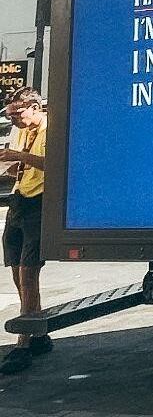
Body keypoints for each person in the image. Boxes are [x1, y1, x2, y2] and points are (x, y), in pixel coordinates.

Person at [1, 88, 49, 373]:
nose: (14, 121)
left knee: (28, 271)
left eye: (17, 115)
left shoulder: (49, 130)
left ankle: (23, 343)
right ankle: (38, 331)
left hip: (39, 203)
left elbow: (53, 165)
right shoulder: (20, 132)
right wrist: (13, 165)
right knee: (17, 271)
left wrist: (20, 155)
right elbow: (24, 163)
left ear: (34, 108)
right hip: (19, 198)